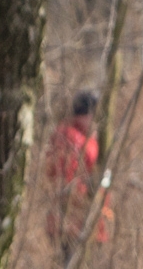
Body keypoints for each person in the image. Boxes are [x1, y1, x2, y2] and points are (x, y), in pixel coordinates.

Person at [45, 90, 113, 259]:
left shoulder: (87, 139)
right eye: (93, 114)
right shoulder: (71, 138)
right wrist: (89, 195)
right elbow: (65, 182)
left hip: (87, 223)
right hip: (73, 224)